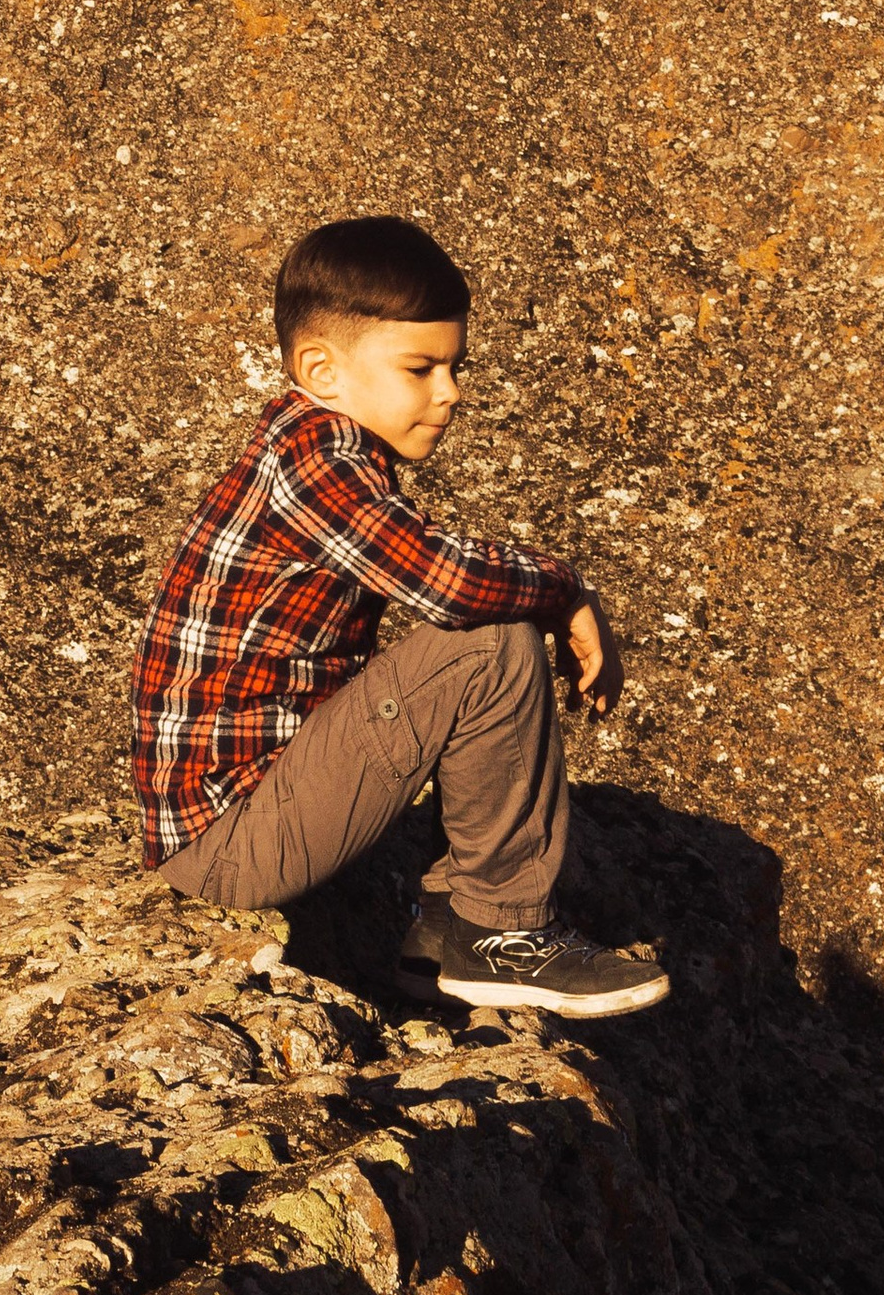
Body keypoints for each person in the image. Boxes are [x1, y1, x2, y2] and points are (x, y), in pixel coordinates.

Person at [128, 213, 669, 1018]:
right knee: (489, 641)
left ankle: (444, 931)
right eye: (421, 368)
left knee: (479, 635)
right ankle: (501, 932)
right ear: (321, 367)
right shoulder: (317, 463)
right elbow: (446, 583)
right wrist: (565, 588)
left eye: (455, 367)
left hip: (258, 805)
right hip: (232, 842)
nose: (449, 393)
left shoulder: (316, 447)